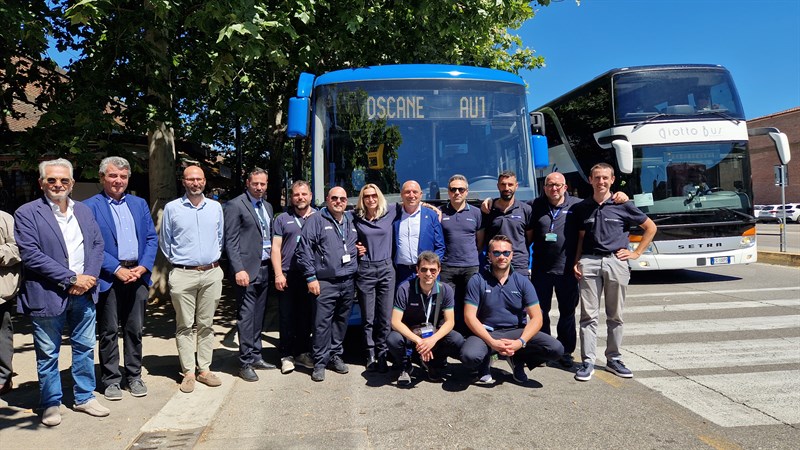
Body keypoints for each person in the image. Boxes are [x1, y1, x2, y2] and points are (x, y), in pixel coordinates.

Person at [14, 158, 108, 426]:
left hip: (84, 293)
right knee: (47, 353)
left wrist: (88, 278)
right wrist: (70, 278)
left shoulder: (84, 212)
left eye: (64, 180)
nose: (58, 184)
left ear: (72, 183)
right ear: (41, 182)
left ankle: (85, 397)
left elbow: (97, 245)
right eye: (52, 180)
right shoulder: (27, 213)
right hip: (47, 294)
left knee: (84, 348)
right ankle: (51, 403)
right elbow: (31, 255)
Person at [529, 172, 629, 369]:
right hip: (541, 270)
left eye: (558, 185)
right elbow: (511, 204)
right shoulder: (535, 205)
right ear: (544, 187)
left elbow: (601, 203)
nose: (554, 189)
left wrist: (622, 195)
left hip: (568, 269)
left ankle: (565, 352)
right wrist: (489, 201)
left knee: (567, 313)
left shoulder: (578, 206)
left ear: (565, 187)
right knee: (541, 313)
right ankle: (544, 350)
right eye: (550, 185)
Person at [572, 163, 657, 382]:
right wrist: (577, 261)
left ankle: (614, 359)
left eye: (605, 178)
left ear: (611, 180)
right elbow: (581, 237)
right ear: (590, 179)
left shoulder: (623, 204)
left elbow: (651, 228)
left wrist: (636, 253)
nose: (601, 182)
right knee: (588, 316)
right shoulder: (582, 207)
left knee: (615, 316)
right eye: (597, 177)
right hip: (589, 262)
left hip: (615, 263)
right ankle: (588, 361)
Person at [84, 157, 158, 400]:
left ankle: (134, 376)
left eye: (123, 177)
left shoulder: (139, 204)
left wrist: (144, 267)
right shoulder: (89, 207)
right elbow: (91, 244)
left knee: (134, 329)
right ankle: (111, 379)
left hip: (137, 276)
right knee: (107, 332)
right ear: (102, 177)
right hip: (109, 277)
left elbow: (150, 238)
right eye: (113, 176)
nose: (118, 181)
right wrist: (116, 268)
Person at [461, 235, 563, 385]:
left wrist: (520, 342)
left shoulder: (522, 281)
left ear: (512, 255)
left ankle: (517, 358)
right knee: (469, 356)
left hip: (516, 332)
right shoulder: (477, 280)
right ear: (489, 255)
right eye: (496, 253)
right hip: (487, 332)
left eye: (506, 253)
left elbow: (537, 318)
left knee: (556, 349)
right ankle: (487, 359)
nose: (501, 257)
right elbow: (469, 316)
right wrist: (492, 342)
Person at [159, 165, 225, 393]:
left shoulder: (216, 208)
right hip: (183, 273)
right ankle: (188, 372)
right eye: (191, 179)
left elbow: (220, 237)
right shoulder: (172, 208)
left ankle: (204, 369)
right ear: (184, 182)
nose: (195, 183)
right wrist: (181, 262)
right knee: (185, 324)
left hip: (211, 273)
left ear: (205, 181)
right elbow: (165, 241)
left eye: (199, 179)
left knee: (206, 324)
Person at [297, 186, 358, 382]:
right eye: (334, 198)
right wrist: (310, 278)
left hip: (348, 280)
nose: (338, 201)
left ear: (346, 200)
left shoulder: (350, 218)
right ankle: (320, 362)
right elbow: (303, 250)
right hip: (325, 282)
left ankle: (335, 355)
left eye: (342, 198)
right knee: (322, 323)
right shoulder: (315, 220)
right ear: (327, 199)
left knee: (341, 321)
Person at [224, 167, 277, 382]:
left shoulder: (268, 206)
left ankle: (256, 355)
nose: (259, 187)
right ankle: (244, 362)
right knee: (246, 317)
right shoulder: (235, 205)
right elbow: (231, 240)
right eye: (255, 183)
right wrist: (239, 269)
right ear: (248, 183)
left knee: (258, 316)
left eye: (263, 184)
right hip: (246, 271)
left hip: (264, 268)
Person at [388, 251, 464, 386]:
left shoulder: (445, 290)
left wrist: (432, 340)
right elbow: (395, 321)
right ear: (417, 270)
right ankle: (406, 366)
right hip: (411, 333)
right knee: (393, 339)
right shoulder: (405, 288)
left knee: (456, 339)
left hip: (432, 333)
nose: (428, 274)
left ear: (439, 270)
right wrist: (418, 340)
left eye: (433, 270)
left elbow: (450, 321)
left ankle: (433, 363)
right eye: (424, 269)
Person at [271, 180, 316, 374]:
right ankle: (286, 355)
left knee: (306, 317)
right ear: (291, 197)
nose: (300, 198)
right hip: (288, 274)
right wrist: (278, 274)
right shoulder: (282, 219)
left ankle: (302, 353)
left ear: (310, 196)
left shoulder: (319, 217)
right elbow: (275, 248)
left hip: (309, 275)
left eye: (304, 194)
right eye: (297, 194)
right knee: (286, 316)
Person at [353, 184, 395, 372]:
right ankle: (370, 354)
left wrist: (434, 207)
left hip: (386, 268)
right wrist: (353, 246)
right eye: (367, 196)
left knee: (385, 317)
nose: (371, 199)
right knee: (368, 317)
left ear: (379, 197)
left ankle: (383, 352)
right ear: (362, 199)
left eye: (374, 196)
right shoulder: (354, 217)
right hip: (366, 270)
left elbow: (415, 203)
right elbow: (339, 227)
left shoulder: (391, 212)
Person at [439, 175, 483, 334]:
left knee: (470, 305)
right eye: (453, 189)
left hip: (470, 267)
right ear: (448, 192)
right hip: (446, 267)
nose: (457, 192)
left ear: (467, 192)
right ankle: (449, 339)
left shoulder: (477, 213)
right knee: (447, 306)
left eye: (461, 189)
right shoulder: (440, 213)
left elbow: (480, 241)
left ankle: (469, 338)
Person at [393, 180, 445, 284]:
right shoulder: (393, 215)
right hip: (401, 273)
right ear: (401, 195)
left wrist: (430, 267)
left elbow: (440, 246)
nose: (411, 195)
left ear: (421, 195)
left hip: (426, 273)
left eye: (415, 192)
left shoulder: (431, 216)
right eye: (407, 192)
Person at [482, 171, 533, 275]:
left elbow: (529, 238)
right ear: (498, 186)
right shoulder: (488, 210)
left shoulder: (526, 210)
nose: (506, 188)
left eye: (510, 184)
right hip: (494, 263)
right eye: (503, 184)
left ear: (516, 186)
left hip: (518, 264)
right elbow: (482, 238)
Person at [0, 208, 21, 396]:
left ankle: (3, 378)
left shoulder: (5, 218)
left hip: (0, 290)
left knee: (1, 334)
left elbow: (17, 248)